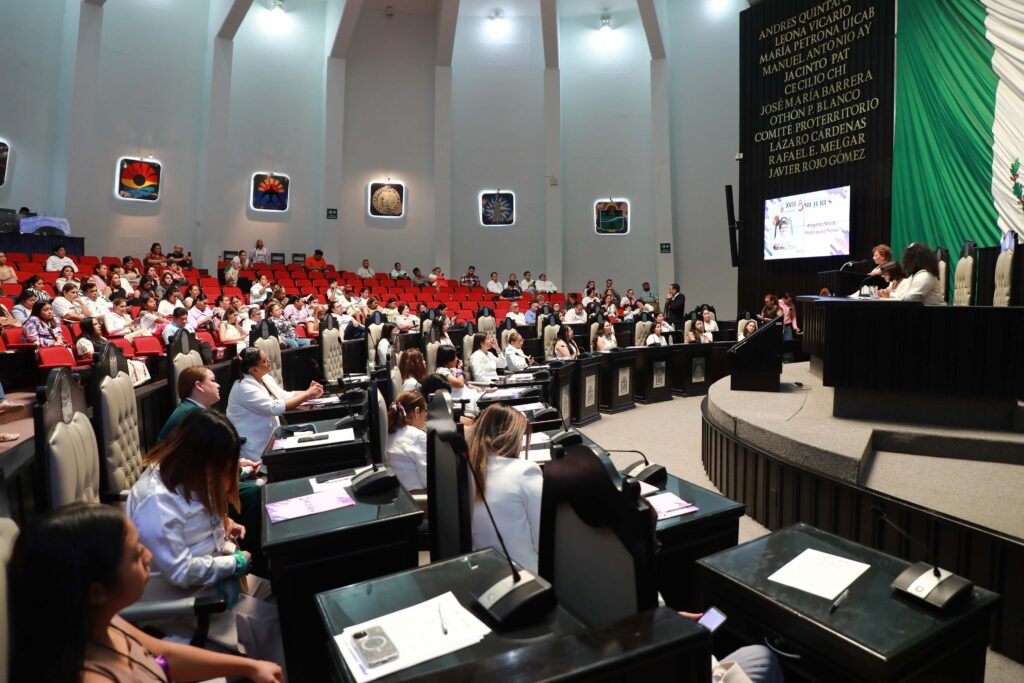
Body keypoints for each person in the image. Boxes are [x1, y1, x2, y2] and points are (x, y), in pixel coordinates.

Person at [8, 502, 284, 683]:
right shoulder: (93, 677)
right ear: (97, 592)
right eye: (135, 555)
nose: (149, 557)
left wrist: (249, 667)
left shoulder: (102, 623)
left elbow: (165, 656)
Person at [126, 411, 285, 671]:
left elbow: (195, 523)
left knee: (287, 593)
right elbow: (181, 571)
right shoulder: (157, 501)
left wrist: (226, 526)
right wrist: (234, 564)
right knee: (279, 624)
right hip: (186, 606)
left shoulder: (183, 475)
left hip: (218, 583)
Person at [467, 405, 542, 573]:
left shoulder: (467, 472)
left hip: (480, 573)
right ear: (513, 437)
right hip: (526, 577)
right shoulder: (526, 472)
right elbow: (543, 541)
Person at [227, 348, 324, 462]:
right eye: (264, 360)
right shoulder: (243, 387)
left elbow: (283, 396)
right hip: (255, 448)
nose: (269, 361)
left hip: (273, 439)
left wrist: (309, 392)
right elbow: (274, 408)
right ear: (254, 369)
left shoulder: (265, 378)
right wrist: (307, 394)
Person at [77, 316, 152, 385]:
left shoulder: (102, 339)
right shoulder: (83, 341)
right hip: (100, 365)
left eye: (98, 323)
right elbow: (91, 355)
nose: (99, 325)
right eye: (95, 324)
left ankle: (136, 387)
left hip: (111, 361)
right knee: (130, 366)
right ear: (88, 327)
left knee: (138, 364)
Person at [385, 390, 429, 492]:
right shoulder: (417, 437)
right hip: (418, 498)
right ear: (417, 411)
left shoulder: (387, 432)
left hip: (399, 496)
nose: (426, 416)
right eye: (425, 411)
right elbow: (429, 480)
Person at [878, 242, 946, 304]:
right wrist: (889, 294)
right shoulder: (915, 275)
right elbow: (904, 294)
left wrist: (890, 295)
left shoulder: (925, 276)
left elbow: (911, 299)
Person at [435, 345, 483, 414]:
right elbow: (460, 384)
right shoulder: (442, 372)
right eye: (455, 357)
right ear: (448, 359)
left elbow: (465, 383)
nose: (457, 359)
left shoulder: (452, 368)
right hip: (461, 401)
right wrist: (459, 370)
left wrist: (475, 387)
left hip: (469, 394)